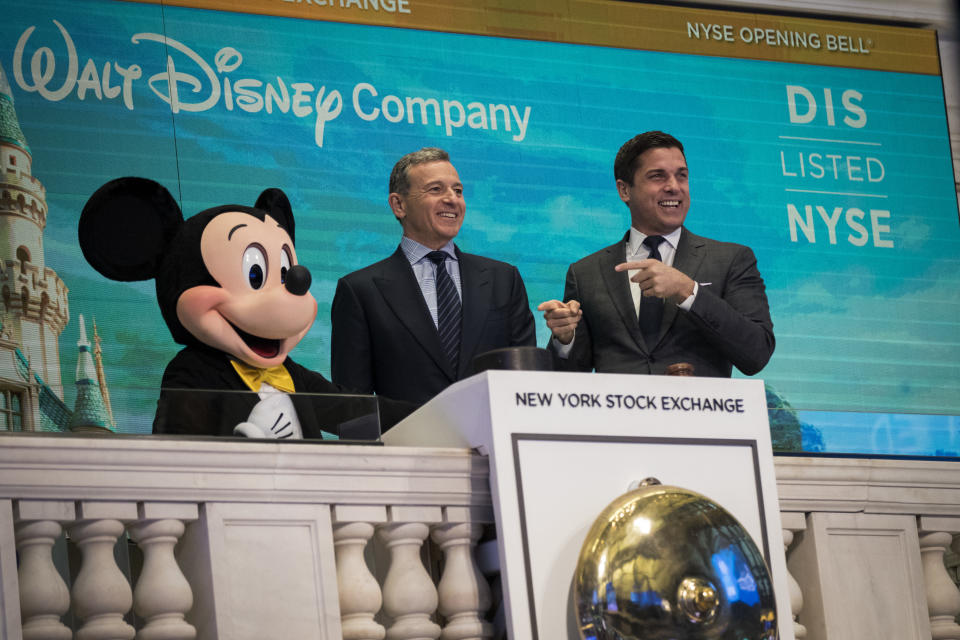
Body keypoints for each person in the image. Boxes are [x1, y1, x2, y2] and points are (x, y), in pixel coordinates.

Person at [539, 131, 774, 377]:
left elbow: (757, 353)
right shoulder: (586, 273)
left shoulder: (731, 260)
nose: (674, 187)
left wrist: (688, 291)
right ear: (624, 190)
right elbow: (571, 378)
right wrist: (564, 339)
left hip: (701, 414)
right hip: (618, 414)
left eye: (681, 176)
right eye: (657, 176)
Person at [331, 147, 536, 405]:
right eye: (436, 189)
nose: (452, 199)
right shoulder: (360, 291)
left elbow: (527, 382)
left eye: (458, 191)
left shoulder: (504, 279)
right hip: (408, 443)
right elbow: (353, 404)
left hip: (493, 442)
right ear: (399, 204)